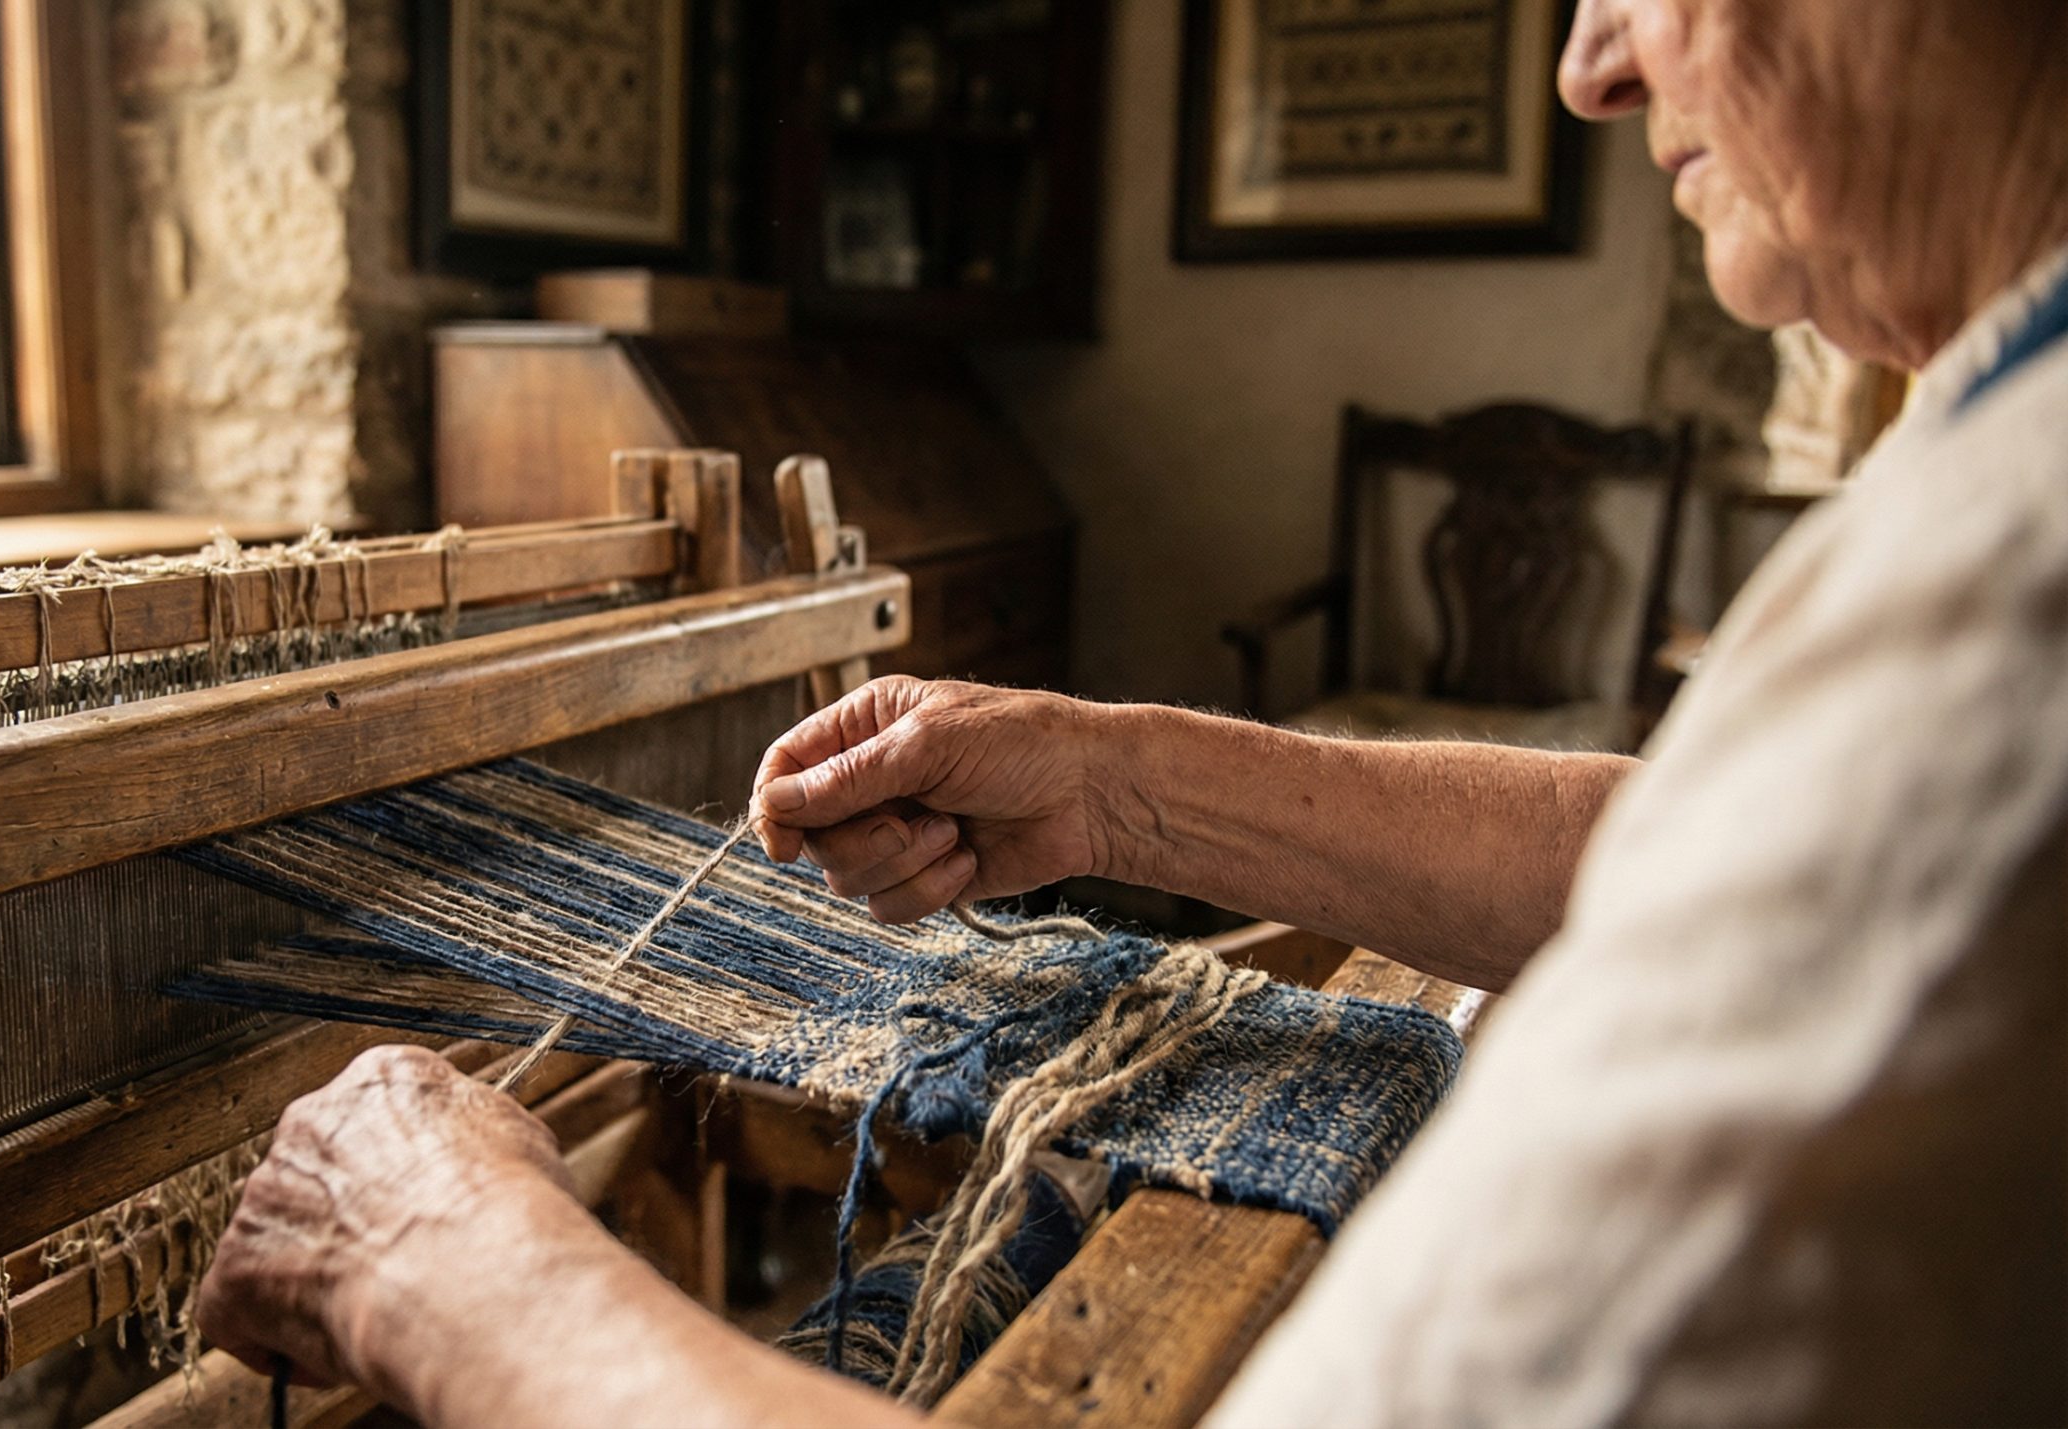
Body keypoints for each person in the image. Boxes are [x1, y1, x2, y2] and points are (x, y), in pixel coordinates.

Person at [195, 0, 2068, 1422]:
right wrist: (1118, 788)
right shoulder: (1991, 487)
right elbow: (1682, 852)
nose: (1590, 62)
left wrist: (434, 1262)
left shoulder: (2005, 625)